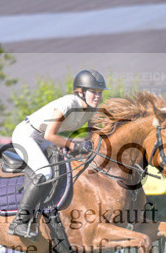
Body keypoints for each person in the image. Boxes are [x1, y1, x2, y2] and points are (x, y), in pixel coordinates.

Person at [8, 69, 106, 239]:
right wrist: (73, 145)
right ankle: (19, 222)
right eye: (94, 92)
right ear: (81, 92)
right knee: (45, 172)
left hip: (42, 137)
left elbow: (91, 137)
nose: (98, 96)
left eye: (100, 92)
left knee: (66, 167)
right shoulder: (69, 103)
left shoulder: (91, 110)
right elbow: (49, 135)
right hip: (27, 134)